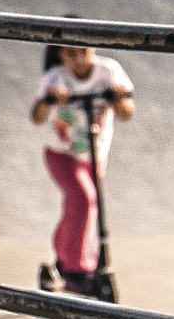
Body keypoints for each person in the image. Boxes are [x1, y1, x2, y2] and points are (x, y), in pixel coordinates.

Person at [30, 44, 135, 300]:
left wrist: (118, 97)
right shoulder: (56, 77)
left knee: (82, 205)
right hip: (61, 154)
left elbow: (126, 113)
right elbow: (37, 116)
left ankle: (62, 260)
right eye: (69, 54)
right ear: (60, 56)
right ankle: (76, 270)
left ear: (93, 50)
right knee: (83, 200)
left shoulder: (108, 71)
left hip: (94, 154)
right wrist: (51, 99)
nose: (77, 60)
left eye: (82, 52)